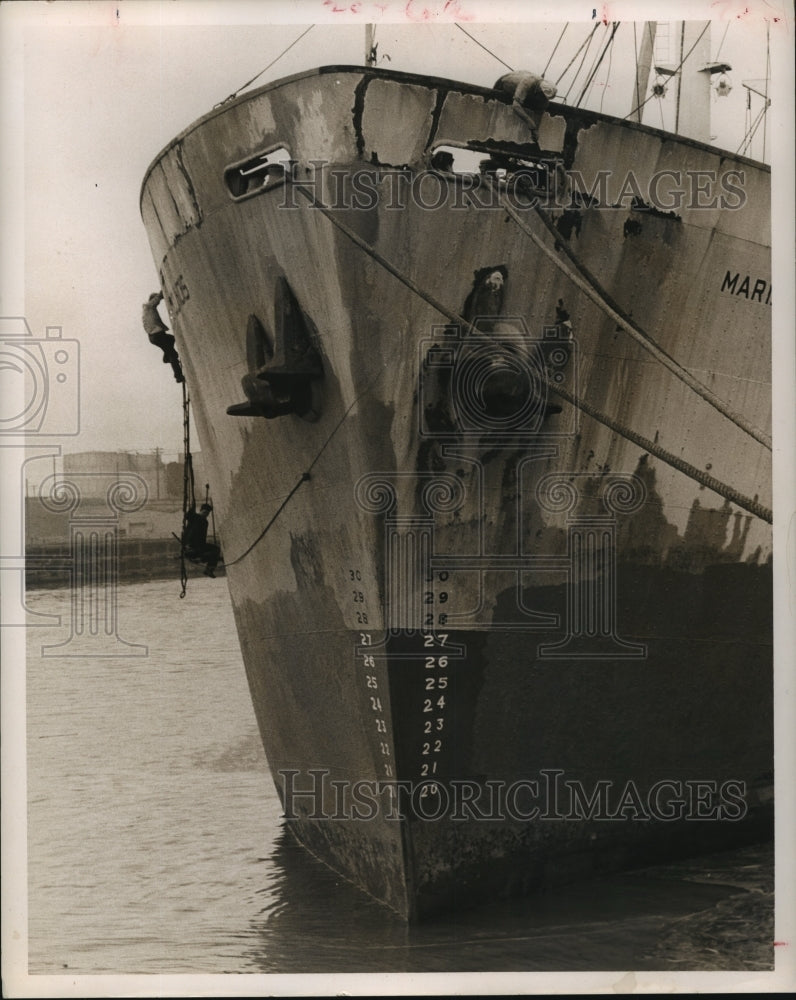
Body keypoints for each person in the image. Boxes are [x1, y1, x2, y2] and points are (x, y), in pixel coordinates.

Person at [142, 291, 184, 383]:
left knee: (171, 339)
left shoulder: (147, 310)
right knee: (173, 355)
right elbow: (157, 299)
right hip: (158, 335)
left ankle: (166, 357)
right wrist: (162, 293)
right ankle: (178, 376)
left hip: (154, 336)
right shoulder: (149, 306)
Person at [182, 503, 221, 577]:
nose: (206, 515)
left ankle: (209, 570)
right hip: (191, 546)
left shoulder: (205, 522)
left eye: (207, 513)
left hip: (200, 545)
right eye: (204, 512)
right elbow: (188, 516)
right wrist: (191, 507)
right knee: (212, 553)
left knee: (216, 549)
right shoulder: (195, 517)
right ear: (200, 511)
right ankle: (202, 560)